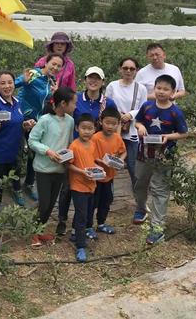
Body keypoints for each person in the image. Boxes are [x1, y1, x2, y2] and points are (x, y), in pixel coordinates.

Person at [56, 66, 116, 235]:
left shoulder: (108, 102)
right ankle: (62, 220)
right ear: (85, 79)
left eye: (97, 78)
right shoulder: (77, 100)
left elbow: (113, 124)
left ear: (103, 82)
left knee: (93, 189)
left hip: (96, 153)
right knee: (68, 188)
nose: (93, 81)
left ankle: (86, 224)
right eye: (91, 77)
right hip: (75, 149)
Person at [132, 74, 188, 245]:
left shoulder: (175, 112)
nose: (161, 92)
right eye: (159, 88)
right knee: (140, 183)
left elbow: (183, 133)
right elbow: (137, 121)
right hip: (144, 154)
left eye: (166, 89)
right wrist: (140, 127)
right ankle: (141, 209)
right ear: (154, 88)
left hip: (164, 157)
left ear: (172, 92)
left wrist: (167, 137)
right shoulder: (147, 106)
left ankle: (157, 228)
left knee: (160, 190)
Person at [28, 87, 76, 248]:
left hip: (60, 169)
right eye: (73, 103)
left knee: (50, 204)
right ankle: (33, 232)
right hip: (43, 169)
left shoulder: (70, 120)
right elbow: (32, 141)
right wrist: (48, 151)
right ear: (63, 103)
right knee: (44, 203)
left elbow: (69, 143)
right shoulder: (45, 120)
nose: (75, 106)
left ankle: (40, 230)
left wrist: (68, 156)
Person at [0, 71, 35, 217]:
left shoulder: (17, 102)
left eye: (10, 82)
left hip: (13, 155)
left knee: (7, 187)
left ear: (14, 83)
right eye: (3, 83)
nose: (7, 86)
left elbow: (17, 124)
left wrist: (26, 124)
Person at [14, 53, 64, 201]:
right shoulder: (34, 73)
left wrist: (56, 94)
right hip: (22, 118)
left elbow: (49, 103)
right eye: (53, 64)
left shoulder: (52, 81)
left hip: (36, 123)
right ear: (46, 63)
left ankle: (28, 184)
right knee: (17, 154)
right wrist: (23, 80)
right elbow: (12, 85)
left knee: (33, 153)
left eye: (58, 66)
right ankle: (15, 187)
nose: (55, 68)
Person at [105, 57, 147, 186]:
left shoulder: (141, 88)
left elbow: (143, 108)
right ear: (120, 69)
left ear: (136, 71)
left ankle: (139, 196)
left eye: (132, 68)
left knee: (133, 165)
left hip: (132, 130)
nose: (128, 71)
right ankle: (108, 195)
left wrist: (130, 114)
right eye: (125, 68)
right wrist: (119, 115)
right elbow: (107, 104)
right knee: (110, 162)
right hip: (113, 129)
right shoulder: (112, 85)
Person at [89, 108, 126, 236]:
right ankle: (88, 226)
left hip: (110, 176)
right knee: (93, 202)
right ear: (101, 121)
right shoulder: (95, 138)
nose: (110, 126)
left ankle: (101, 224)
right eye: (107, 123)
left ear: (118, 124)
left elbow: (123, 151)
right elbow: (90, 155)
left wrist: (119, 160)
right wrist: (101, 161)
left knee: (106, 200)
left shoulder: (117, 138)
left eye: (114, 124)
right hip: (96, 177)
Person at [67, 114, 98, 262]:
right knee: (82, 216)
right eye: (83, 128)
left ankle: (74, 233)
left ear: (94, 129)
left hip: (91, 184)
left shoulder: (93, 144)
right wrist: (82, 172)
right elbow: (68, 164)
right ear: (77, 128)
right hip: (78, 185)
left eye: (90, 128)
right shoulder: (74, 145)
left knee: (86, 211)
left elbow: (93, 161)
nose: (86, 131)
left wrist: (99, 170)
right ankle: (80, 246)